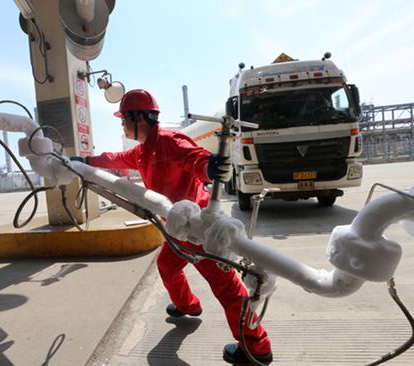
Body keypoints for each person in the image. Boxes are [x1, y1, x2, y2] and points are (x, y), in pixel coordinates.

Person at [75, 89, 273, 364]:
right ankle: (187, 305)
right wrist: (85, 162)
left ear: (138, 118)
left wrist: (210, 167)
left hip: (200, 230)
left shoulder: (169, 141)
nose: (121, 124)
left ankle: (257, 348)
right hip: (178, 230)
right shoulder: (142, 152)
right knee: (167, 266)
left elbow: (196, 159)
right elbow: (115, 160)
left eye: (124, 119)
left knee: (228, 290)